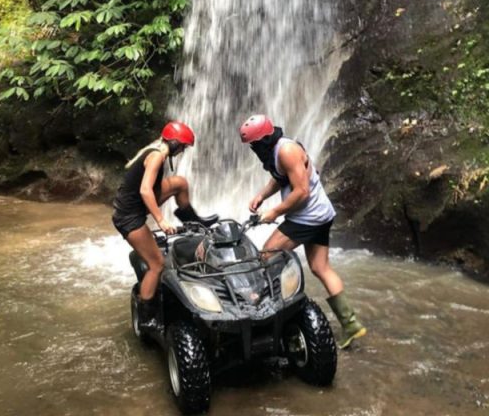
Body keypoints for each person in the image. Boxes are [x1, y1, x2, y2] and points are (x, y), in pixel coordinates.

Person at [239, 114, 366, 349]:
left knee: (266, 256)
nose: (253, 149)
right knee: (320, 268)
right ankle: (351, 324)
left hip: (307, 217)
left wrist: (274, 212)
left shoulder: (287, 151)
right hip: (320, 215)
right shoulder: (277, 151)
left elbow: (302, 192)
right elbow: (281, 177)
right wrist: (261, 196)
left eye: (254, 144)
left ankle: (272, 317)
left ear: (265, 139)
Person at [112, 121, 218, 323]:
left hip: (133, 206)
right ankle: (147, 317)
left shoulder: (157, 148)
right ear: (176, 144)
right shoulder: (157, 156)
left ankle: (193, 221)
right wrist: (160, 220)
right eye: (183, 147)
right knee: (157, 264)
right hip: (129, 216)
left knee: (180, 183)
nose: (183, 151)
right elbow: (145, 190)